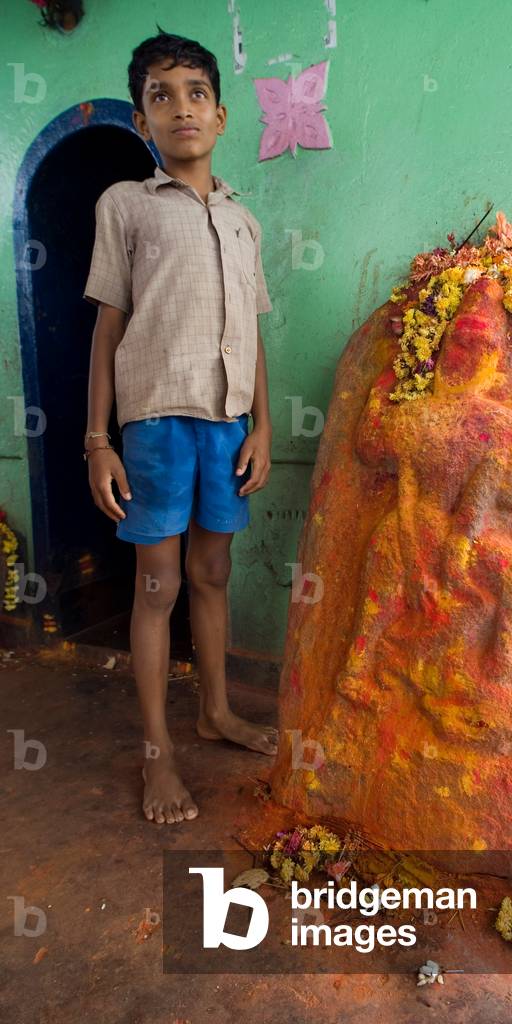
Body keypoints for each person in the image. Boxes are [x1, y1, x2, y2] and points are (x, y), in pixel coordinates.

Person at [82, 29, 278, 826]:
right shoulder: (125, 205)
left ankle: (215, 711)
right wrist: (98, 440)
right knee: (157, 584)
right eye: (160, 96)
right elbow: (107, 329)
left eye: (195, 92)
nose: (181, 108)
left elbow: (254, 333)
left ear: (220, 115)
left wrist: (264, 427)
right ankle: (157, 751)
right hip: (156, 424)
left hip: (227, 426)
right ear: (142, 121)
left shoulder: (242, 221)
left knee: (212, 572)